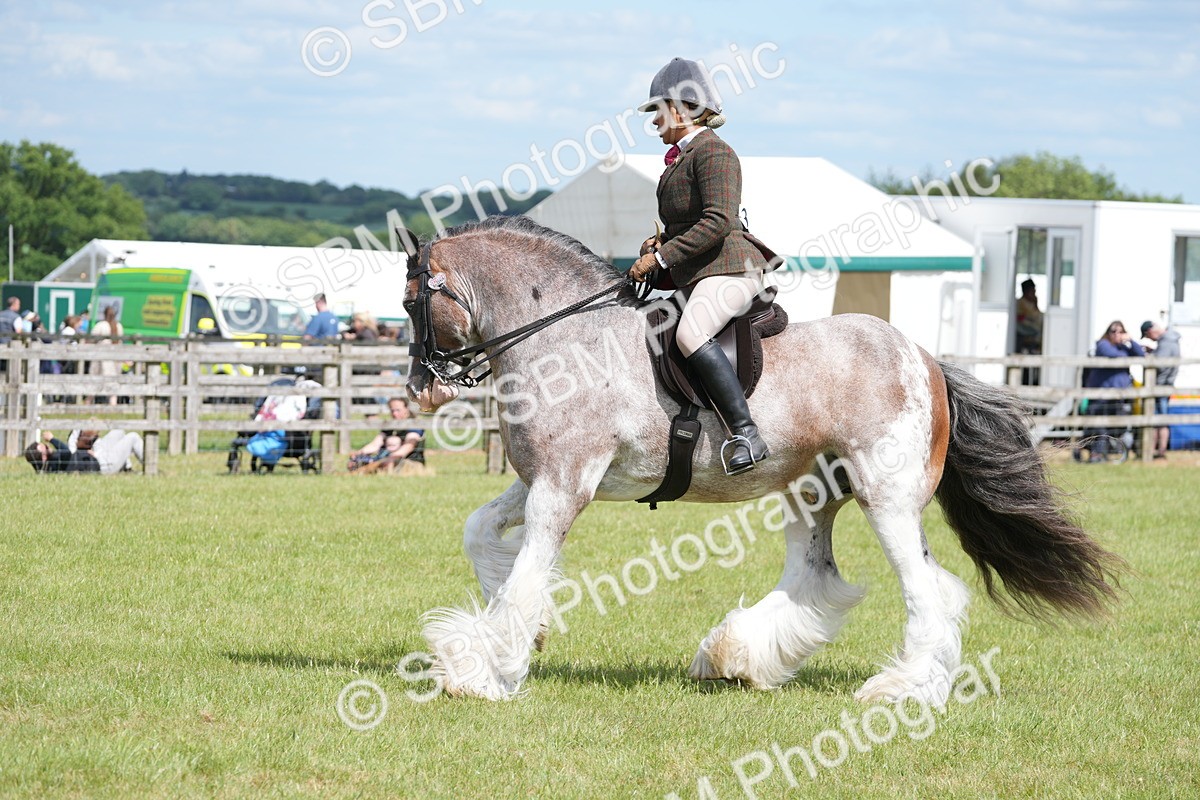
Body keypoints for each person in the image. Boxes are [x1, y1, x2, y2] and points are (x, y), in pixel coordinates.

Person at [628, 57, 771, 475]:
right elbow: (688, 224)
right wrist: (660, 244)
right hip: (701, 271)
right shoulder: (682, 157)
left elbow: (718, 221)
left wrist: (661, 256)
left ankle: (746, 432)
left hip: (732, 269)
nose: (653, 120)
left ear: (680, 108)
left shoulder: (716, 153)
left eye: (657, 110)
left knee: (691, 333)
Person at [1079, 321, 1145, 461]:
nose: (1117, 334)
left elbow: (1140, 355)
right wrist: (1128, 355)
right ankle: (1095, 455)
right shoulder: (1102, 345)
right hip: (1100, 396)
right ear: (1108, 333)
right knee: (1099, 427)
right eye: (1113, 331)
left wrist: (1131, 341)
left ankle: (1104, 454)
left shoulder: (1123, 348)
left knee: (1116, 427)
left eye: (1120, 331)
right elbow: (1112, 355)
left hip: (1117, 397)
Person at [348, 397, 425, 472]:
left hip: (408, 462)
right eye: (392, 410)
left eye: (398, 410)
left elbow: (408, 446)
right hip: (386, 459)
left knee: (385, 464)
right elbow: (375, 444)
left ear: (406, 408)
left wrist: (391, 458)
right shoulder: (390, 426)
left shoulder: (414, 425)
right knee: (356, 463)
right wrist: (359, 454)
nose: (394, 413)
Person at [1141, 320, 1182, 459]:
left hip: (1160, 386)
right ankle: (1158, 451)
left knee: (1157, 420)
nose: (1150, 339)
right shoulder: (1171, 340)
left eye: (1147, 336)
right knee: (1160, 419)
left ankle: (1155, 451)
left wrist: (1149, 357)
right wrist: (1154, 351)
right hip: (1167, 385)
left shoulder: (1166, 342)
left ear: (1151, 330)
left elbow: (1161, 364)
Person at [89, 305, 125, 405]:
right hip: (115, 357)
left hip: (101, 357)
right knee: (113, 381)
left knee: (94, 380)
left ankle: (89, 401)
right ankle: (113, 403)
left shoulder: (101, 325)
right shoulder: (118, 326)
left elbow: (92, 338)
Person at [69, 429, 144, 474]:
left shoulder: (79, 431)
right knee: (133, 437)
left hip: (100, 457)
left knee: (118, 431)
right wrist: (88, 454)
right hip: (103, 465)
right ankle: (150, 467)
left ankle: (127, 468)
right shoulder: (73, 445)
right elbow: (72, 450)